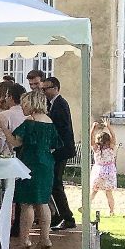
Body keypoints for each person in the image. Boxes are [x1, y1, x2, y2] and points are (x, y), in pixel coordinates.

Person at [8, 90, 57, 249]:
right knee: (43, 201)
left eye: (25, 103)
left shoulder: (30, 121)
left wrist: (3, 128)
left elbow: (15, 142)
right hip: (46, 163)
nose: (22, 106)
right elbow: (54, 144)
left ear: (33, 104)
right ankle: (45, 238)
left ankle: (24, 240)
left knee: (26, 202)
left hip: (30, 163)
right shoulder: (49, 121)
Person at [42, 76, 77, 230]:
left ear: (55, 88)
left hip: (61, 149)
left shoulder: (60, 104)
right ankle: (60, 215)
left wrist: (53, 145)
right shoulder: (53, 104)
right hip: (58, 149)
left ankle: (67, 217)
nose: (44, 91)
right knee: (54, 183)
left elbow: (61, 128)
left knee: (56, 183)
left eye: (46, 88)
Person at [88, 125, 118, 218]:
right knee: (108, 193)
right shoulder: (111, 148)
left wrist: (93, 128)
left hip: (99, 171)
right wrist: (108, 126)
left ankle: (86, 206)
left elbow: (90, 139)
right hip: (109, 171)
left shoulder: (96, 149)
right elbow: (114, 136)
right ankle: (111, 211)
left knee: (94, 191)